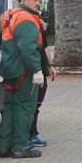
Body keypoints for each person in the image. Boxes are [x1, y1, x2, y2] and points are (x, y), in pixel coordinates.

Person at [0, 0, 46, 158]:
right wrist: (37, 71)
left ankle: (4, 147)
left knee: (9, 109)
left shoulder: (7, 16)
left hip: (9, 71)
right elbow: (28, 49)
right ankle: (19, 147)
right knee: (25, 108)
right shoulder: (27, 20)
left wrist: (6, 49)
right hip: (25, 73)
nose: (37, 3)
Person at [27, 20, 56, 148]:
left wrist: (50, 65)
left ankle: (33, 134)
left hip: (41, 71)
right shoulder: (26, 28)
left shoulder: (40, 29)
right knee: (29, 106)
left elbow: (45, 47)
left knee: (36, 105)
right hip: (31, 72)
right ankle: (26, 135)